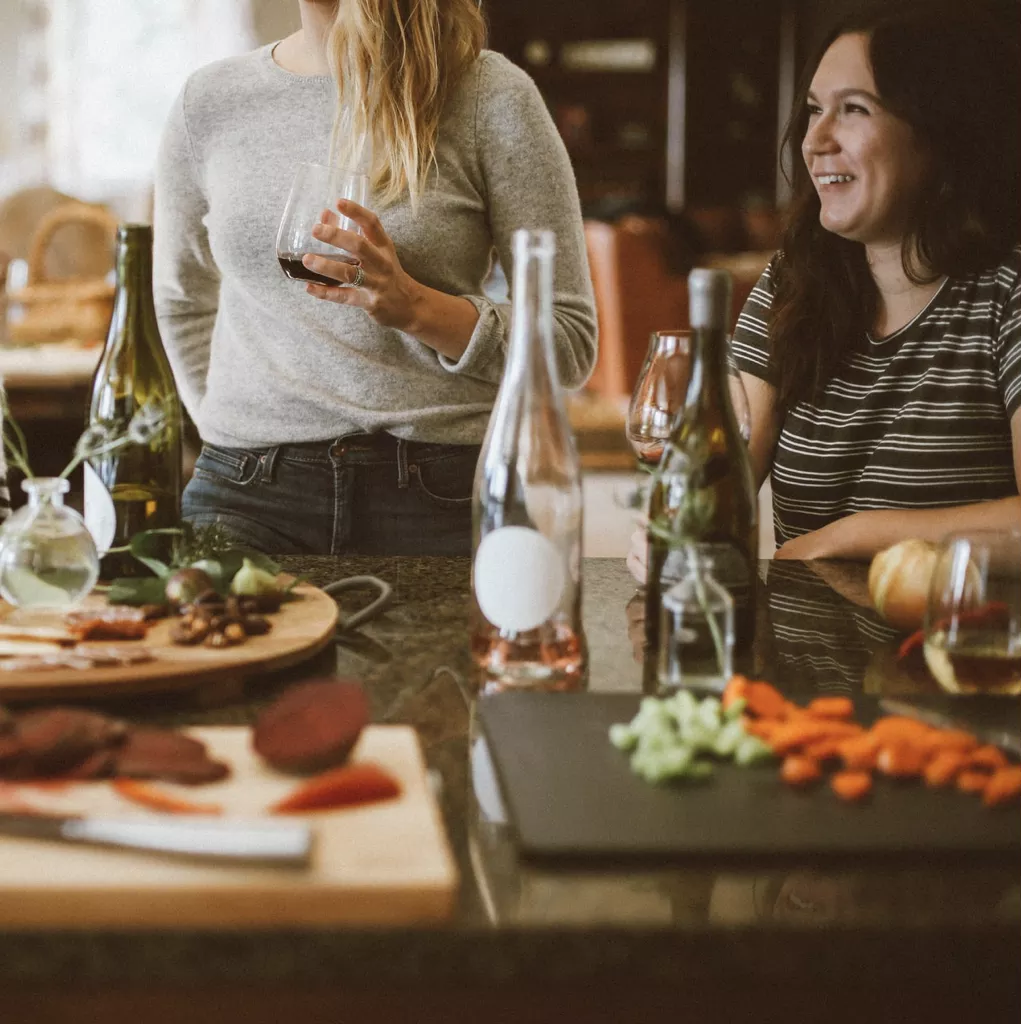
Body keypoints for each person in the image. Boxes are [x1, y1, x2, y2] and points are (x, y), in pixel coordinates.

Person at [153, 0, 597, 556]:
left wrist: (417, 308)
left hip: (441, 491)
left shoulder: (488, 93)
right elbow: (181, 301)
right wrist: (229, 428)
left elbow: (570, 341)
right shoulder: (208, 102)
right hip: (245, 495)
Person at [629, 0, 1020, 580]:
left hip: (956, 655)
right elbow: (722, 479)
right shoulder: (794, 281)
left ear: (939, 136)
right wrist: (674, 529)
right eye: (814, 110)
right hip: (802, 663)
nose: (815, 140)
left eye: (854, 109)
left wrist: (852, 535)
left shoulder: (1004, 293)